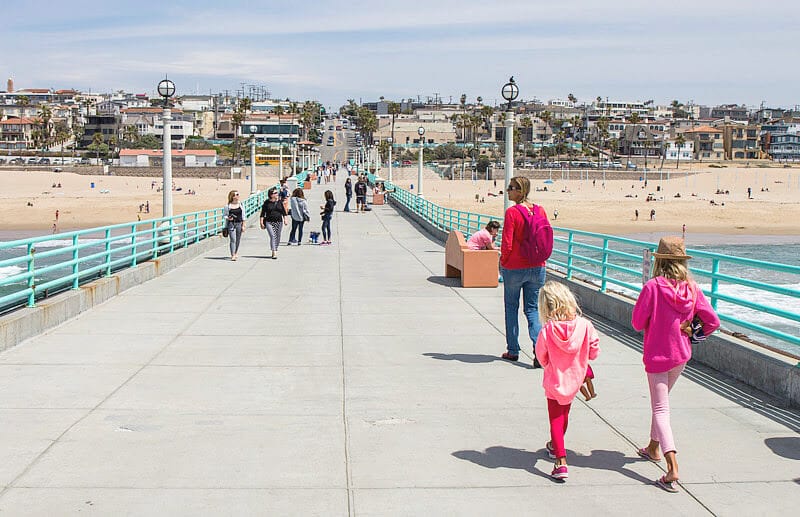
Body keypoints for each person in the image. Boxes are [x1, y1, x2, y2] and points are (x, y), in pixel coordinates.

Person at [632, 236, 719, 493]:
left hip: (657, 356)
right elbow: (712, 321)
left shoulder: (653, 287)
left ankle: (672, 466)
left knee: (660, 408)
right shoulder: (692, 289)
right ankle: (652, 447)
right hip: (680, 355)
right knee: (662, 402)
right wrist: (693, 333)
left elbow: (637, 322)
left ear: (660, 262)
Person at [535, 281, 600, 481]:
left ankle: (560, 461)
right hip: (575, 379)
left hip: (555, 380)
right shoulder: (585, 325)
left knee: (555, 418)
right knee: (564, 415)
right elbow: (594, 350)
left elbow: (541, 355)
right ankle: (556, 445)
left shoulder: (548, 330)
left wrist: (549, 365)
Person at [500, 176, 551, 366]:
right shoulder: (540, 210)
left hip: (514, 267)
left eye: (511, 188)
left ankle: (513, 350)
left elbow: (507, 242)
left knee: (511, 308)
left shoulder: (512, 212)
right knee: (532, 310)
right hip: (537, 266)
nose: (508, 191)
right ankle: (539, 352)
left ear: (520, 191)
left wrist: (503, 261)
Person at [259, 188, 288, 259]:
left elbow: (284, 212)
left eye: (277, 193)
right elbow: (262, 214)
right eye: (275, 193)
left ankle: (275, 247)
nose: (277, 194)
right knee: (272, 236)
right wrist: (261, 223)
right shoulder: (266, 203)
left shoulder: (279, 202)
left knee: (278, 236)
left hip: (279, 221)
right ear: (271, 195)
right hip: (269, 222)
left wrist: (285, 220)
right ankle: (274, 251)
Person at [223, 190, 246, 260]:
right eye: (237, 194)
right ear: (233, 196)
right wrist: (228, 218)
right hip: (231, 224)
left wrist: (243, 225)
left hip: (239, 223)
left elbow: (243, 216)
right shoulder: (227, 206)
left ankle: (235, 252)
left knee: (238, 239)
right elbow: (224, 215)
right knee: (233, 239)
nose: (238, 196)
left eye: (238, 194)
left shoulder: (241, 205)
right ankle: (232, 254)